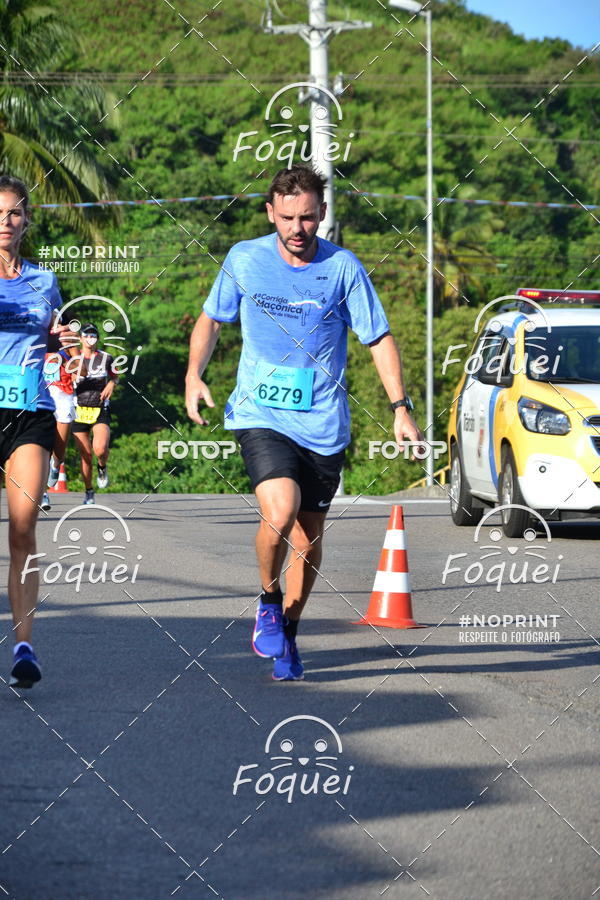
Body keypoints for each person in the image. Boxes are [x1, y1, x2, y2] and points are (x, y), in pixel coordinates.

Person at [186, 164, 423, 681]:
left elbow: (378, 338)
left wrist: (400, 408)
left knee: (309, 536)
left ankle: (290, 631)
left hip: (322, 422)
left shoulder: (342, 268)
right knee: (280, 511)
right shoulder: (244, 258)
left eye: (309, 218)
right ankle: (269, 600)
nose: (298, 228)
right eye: (288, 217)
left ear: (323, 214)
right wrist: (193, 375)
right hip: (261, 412)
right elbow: (212, 319)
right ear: (270, 213)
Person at [0, 174, 72, 688]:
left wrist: (58, 340)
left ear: (26, 220)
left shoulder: (44, 281)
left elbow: (48, 341)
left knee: (23, 528)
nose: (5, 222)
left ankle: (24, 645)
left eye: (13, 213)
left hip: (30, 411)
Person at [71, 323, 117, 505]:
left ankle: (102, 467)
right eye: (86, 335)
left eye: (93, 335)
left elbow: (115, 376)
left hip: (100, 408)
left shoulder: (106, 358)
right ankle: (89, 491)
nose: (90, 339)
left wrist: (112, 383)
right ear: (80, 338)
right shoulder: (73, 359)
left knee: (100, 449)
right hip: (79, 409)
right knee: (86, 455)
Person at [40, 347, 77, 510]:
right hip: (41, 396)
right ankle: (43, 493)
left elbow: (82, 369)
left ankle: (56, 465)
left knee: (59, 450)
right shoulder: (36, 338)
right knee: (43, 447)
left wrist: (65, 361)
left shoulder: (68, 341)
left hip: (64, 398)